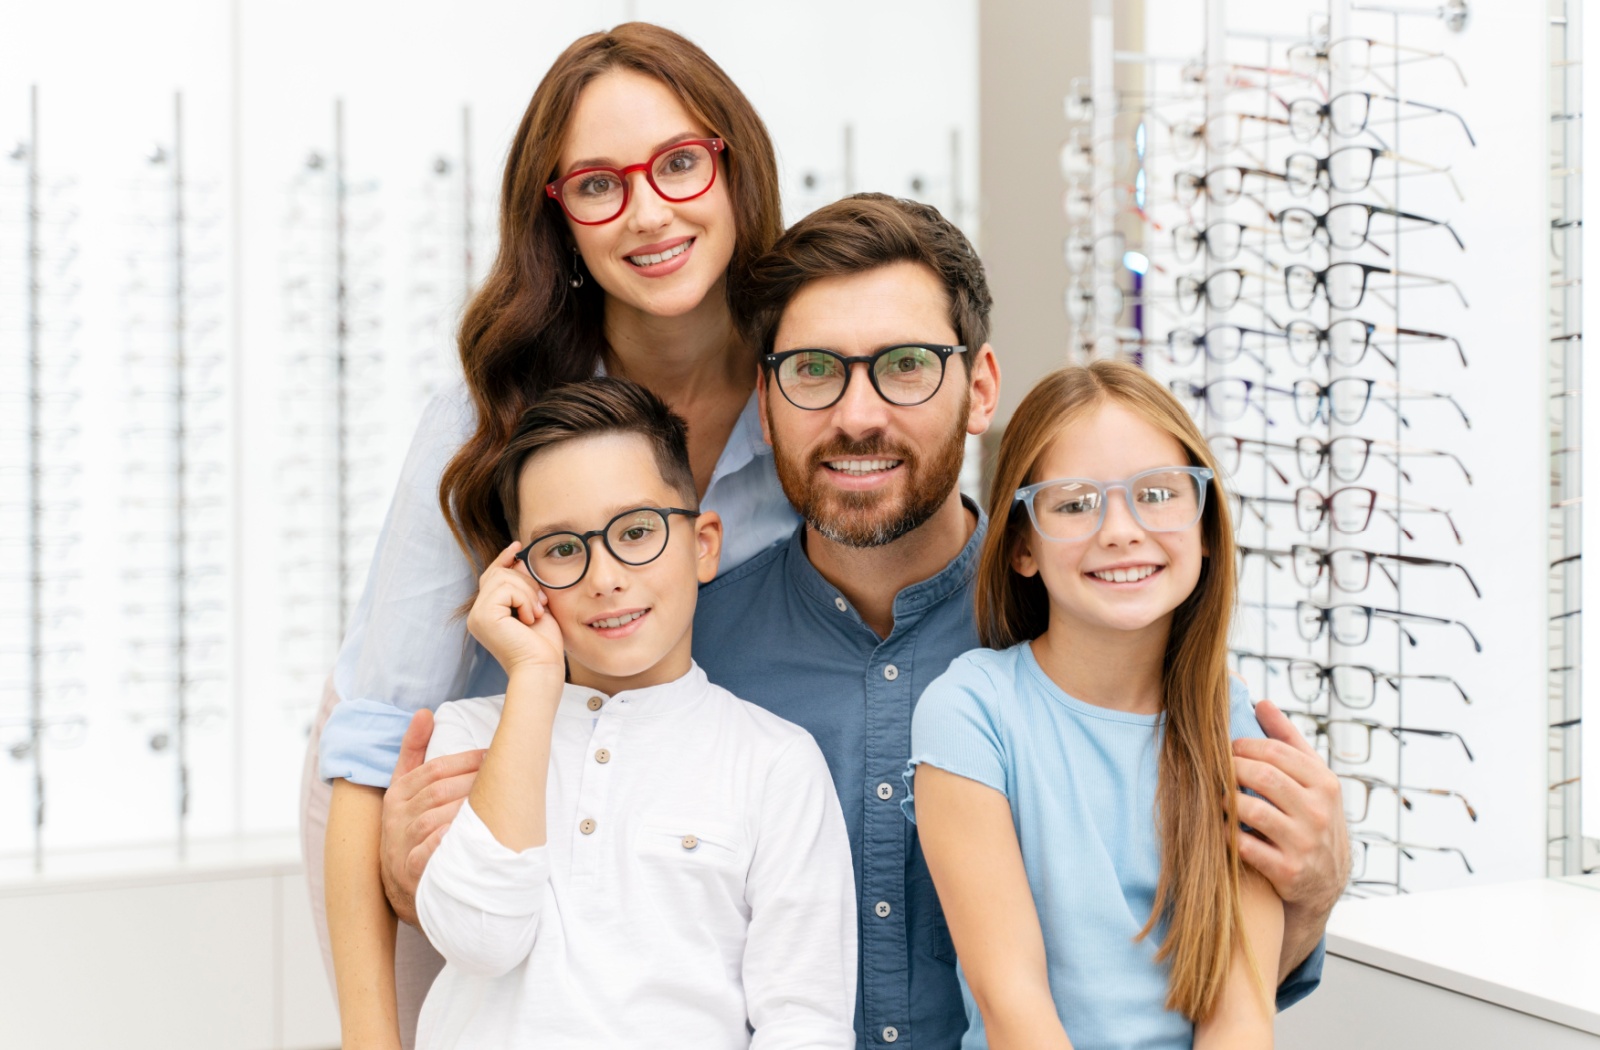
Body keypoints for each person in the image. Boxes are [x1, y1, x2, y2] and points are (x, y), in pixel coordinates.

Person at [690, 194, 1345, 1048]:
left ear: (980, 388)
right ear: (766, 397)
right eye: (813, 370)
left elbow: (1208, 976)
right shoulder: (692, 653)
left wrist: (1314, 889)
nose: (857, 415)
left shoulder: (1097, 616)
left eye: (906, 365)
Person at [307, 23, 798, 1049]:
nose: (648, 212)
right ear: (557, 218)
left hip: (672, 853)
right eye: (596, 185)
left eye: (677, 164)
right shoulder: (485, 423)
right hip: (462, 848)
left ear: (734, 166)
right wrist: (367, 1031)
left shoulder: (802, 396)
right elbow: (365, 743)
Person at [411, 376, 855, 1049]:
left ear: (703, 544)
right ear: (520, 573)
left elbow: (805, 1022)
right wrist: (532, 677)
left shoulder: (774, 763)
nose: (604, 576)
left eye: (637, 531)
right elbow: (479, 939)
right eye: (561, 549)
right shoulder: (469, 735)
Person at [906, 361, 1281, 1049]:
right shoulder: (970, 712)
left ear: (1203, 526)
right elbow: (1012, 1003)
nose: (1121, 530)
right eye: (1075, 503)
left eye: (1159, 494)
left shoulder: (1234, 727)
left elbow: (1242, 1016)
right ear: (1022, 546)